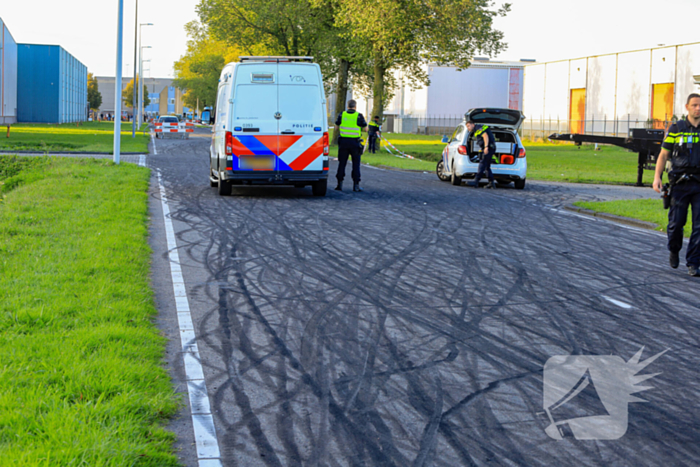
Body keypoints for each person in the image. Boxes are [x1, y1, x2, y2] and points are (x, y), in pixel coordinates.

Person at [653, 93, 700, 277]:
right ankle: (674, 249)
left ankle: (694, 263)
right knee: (675, 224)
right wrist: (657, 177)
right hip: (680, 184)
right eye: (695, 105)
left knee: (699, 226)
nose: (698, 108)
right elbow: (664, 155)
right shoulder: (676, 128)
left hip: (699, 184)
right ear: (687, 107)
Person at [335, 100, 367, 192]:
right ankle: (356, 185)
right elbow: (365, 129)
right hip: (355, 143)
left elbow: (336, 127)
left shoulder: (342, 114)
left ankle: (339, 184)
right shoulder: (359, 115)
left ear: (347, 106)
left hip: (343, 142)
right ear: (355, 106)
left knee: (342, 163)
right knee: (356, 164)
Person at [466, 120, 496, 189]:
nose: (468, 128)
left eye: (468, 126)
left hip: (488, 148)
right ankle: (491, 183)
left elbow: (485, 136)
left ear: (472, 124)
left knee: (482, 163)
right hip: (490, 148)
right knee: (487, 166)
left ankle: (476, 181)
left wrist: (486, 147)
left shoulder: (478, 128)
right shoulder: (477, 129)